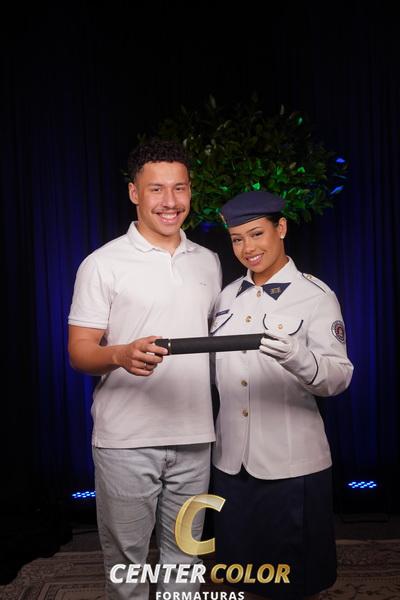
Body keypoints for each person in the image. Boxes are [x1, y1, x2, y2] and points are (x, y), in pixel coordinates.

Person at [68, 139, 222, 599]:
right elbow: (79, 352)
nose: (170, 201)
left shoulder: (208, 261)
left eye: (180, 188)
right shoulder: (102, 263)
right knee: (127, 564)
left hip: (195, 436)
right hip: (126, 441)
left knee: (186, 560)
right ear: (135, 193)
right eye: (157, 189)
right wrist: (119, 354)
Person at [210, 190, 353, 600]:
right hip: (231, 463)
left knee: (295, 583)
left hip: (292, 466)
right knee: (241, 577)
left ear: (282, 228)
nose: (247, 248)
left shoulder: (315, 295)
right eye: (237, 239)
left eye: (257, 234)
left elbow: (339, 377)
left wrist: (297, 357)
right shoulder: (225, 297)